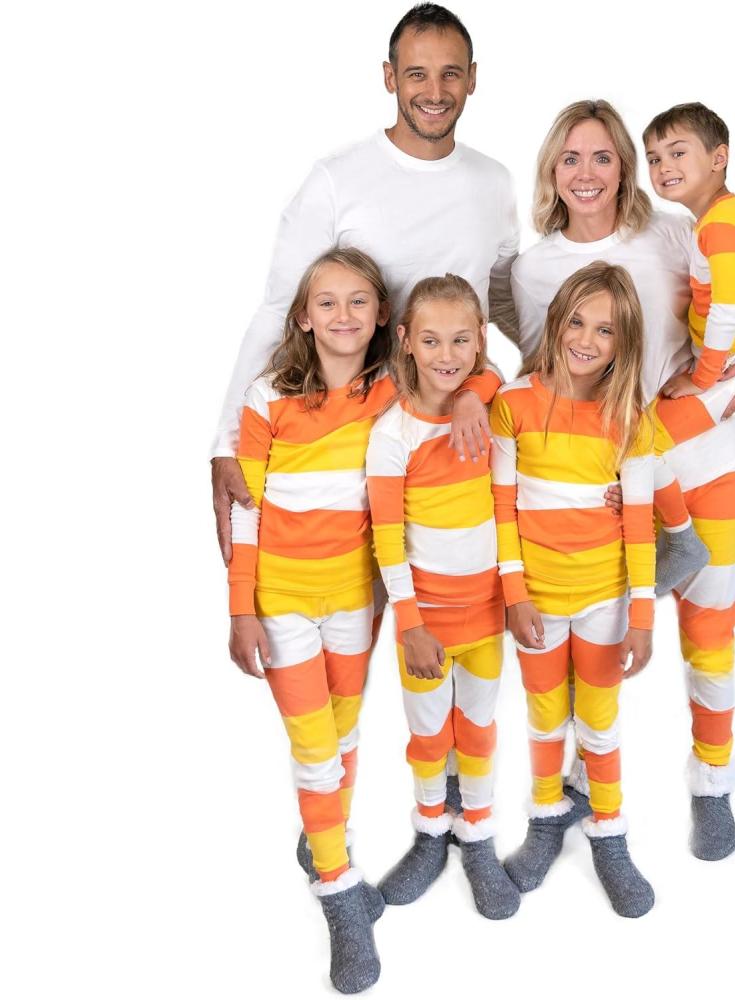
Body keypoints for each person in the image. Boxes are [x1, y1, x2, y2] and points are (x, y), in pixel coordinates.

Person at [510, 99, 735, 861]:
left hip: (711, 466)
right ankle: (575, 790)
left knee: (711, 636)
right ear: (551, 170)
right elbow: (547, 380)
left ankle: (713, 783)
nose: (586, 172)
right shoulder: (533, 271)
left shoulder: (676, 233)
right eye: (570, 157)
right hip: (607, 494)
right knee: (590, 649)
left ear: (626, 168)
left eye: (603, 156)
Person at [211, 3, 519, 565]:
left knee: (460, 587)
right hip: (352, 430)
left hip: (459, 424)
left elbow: (504, 301)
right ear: (389, 77)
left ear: (473, 78)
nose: (435, 91)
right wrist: (225, 444)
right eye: (417, 74)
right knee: (353, 590)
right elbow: (279, 308)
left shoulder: (494, 182)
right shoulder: (337, 179)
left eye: (451, 73)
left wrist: (575, 372)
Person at [226, 248, 393, 992]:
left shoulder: (390, 391)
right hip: (284, 600)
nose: (343, 315)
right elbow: (246, 510)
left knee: (345, 733)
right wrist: (242, 609)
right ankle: (339, 891)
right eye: (326, 302)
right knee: (315, 746)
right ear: (302, 317)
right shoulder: (267, 397)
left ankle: (326, 838)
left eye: (359, 301)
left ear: (381, 314)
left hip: (356, 597)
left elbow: (473, 378)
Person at [491, 262, 657, 918]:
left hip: (603, 600)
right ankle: (545, 818)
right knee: (543, 716)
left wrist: (641, 616)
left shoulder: (630, 419)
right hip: (535, 597)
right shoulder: (514, 405)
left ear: (624, 344)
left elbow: (638, 521)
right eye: (578, 322)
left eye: (606, 330)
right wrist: (515, 595)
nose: (587, 340)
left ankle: (609, 832)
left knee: (599, 719)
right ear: (557, 321)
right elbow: (502, 509)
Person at [366, 275, 520, 920]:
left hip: (485, 615)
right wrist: (410, 624)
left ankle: (477, 833)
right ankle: (431, 830)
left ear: (481, 338)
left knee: (478, 727)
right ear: (404, 340)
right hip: (424, 622)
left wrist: (514, 597)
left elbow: (506, 510)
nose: (447, 354)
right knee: (428, 734)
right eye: (430, 340)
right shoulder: (392, 434)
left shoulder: (492, 414)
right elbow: (387, 538)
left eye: (461, 340)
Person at [645, 101, 735, 598]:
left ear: (718, 157)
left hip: (726, 370)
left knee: (643, 443)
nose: (664, 167)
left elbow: (726, 311)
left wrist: (702, 377)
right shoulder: (719, 218)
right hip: (732, 356)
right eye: (654, 158)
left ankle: (681, 541)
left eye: (677, 153)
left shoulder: (721, 228)